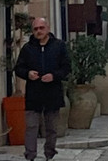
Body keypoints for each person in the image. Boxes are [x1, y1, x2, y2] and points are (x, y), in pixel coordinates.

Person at [14, 17, 70, 161]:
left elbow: (66, 68)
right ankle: (30, 155)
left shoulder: (59, 46)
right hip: (34, 93)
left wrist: (54, 76)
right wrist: (28, 74)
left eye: (41, 28)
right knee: (31, 126)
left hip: (52, 93)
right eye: (35, 29)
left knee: (51, 127)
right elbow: (18, 68)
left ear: (47, 28)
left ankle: (49, 153)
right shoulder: (28, 48)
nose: (38, 31)